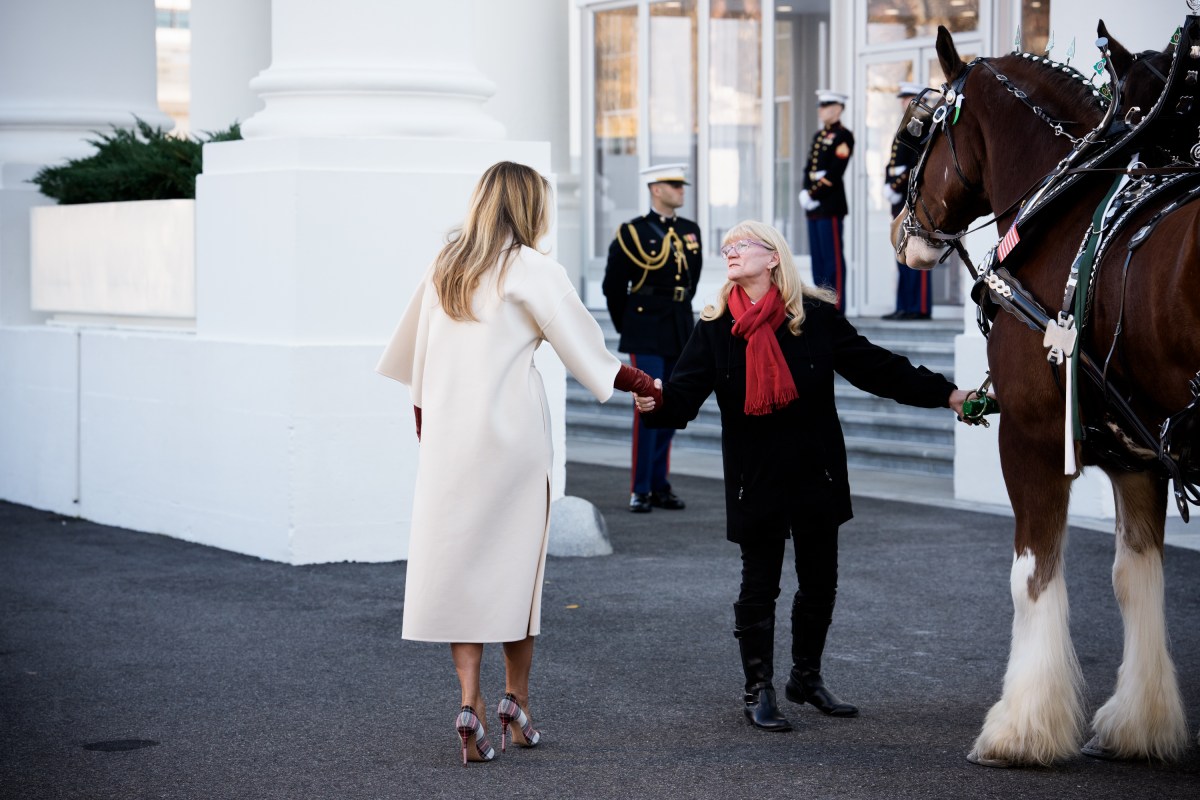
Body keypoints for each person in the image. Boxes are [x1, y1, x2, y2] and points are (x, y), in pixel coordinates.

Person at [375, 161, 661, 765]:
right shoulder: (532, 268)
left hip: (449, 441)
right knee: (515, 574)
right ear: (530, 206)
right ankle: (516, 703)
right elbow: (584, 347)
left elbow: (417, 367)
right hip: (513, 442)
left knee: (458, 567)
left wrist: (430, 433)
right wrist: (643, 383)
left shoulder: (445, 267)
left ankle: (468, 705)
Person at [634, 220, 969, 732]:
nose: (729, 252)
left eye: (740, 244)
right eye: (725, 247)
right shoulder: (716, 326)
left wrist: (947, 394)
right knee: (759, 586)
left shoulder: (814, 318)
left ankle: (805, 677)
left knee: (819, 584)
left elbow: (876, 367)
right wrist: (652, 400)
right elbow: (680, 401)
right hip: (756, 475)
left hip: (816, 471)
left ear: (772, 257)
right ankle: (758, 687)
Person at [602, 163, 703, 513]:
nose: (681, 191)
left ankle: (660, 483)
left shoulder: (691, 230)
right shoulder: (633, 233)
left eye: (682, 185)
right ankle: (641, 487)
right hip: (644, 328)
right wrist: (627, 326)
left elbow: (692, 280)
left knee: (673, 403)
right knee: (648, 404)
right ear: (655, 189)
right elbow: (613, 287)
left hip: (679, 325)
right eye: (674, 185)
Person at [800, 90, 855, 311]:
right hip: (814, 206)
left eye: (825, 106)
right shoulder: (819, 136)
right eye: (820, 106)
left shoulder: (844, 136)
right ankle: (822, 306)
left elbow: (835, 172)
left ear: (838, 108)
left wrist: (812, 194)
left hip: (829, 204)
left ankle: (836, 307)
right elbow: (809, 168)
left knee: (832, 260)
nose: (821, 110)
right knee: (818, 261)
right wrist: (805, 192)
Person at [883, 82, 933, 320]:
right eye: (903, 99)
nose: (904, 103)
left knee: (917, 250)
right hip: (899, 197)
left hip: (912, 197)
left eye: (908, 98)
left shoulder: (921, 124)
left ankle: (919, 306)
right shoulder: (907, 125)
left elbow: (914, 163)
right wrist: (887, 182)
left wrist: (895, 185)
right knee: (901, 249)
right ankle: (904, 304)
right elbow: (893, 163)